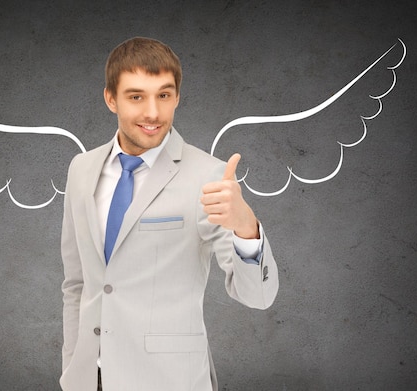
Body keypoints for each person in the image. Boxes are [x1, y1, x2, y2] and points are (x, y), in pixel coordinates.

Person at [60, 37, 279, 391]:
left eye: (163, 95)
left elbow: (258, 296)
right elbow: (77, 283)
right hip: (88, 379)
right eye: (136, 96)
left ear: (177, 96)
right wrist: (72, 367)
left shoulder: (209, 176)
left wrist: (245, 227)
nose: (152, 113)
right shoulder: (81, 169)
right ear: (110, 99)